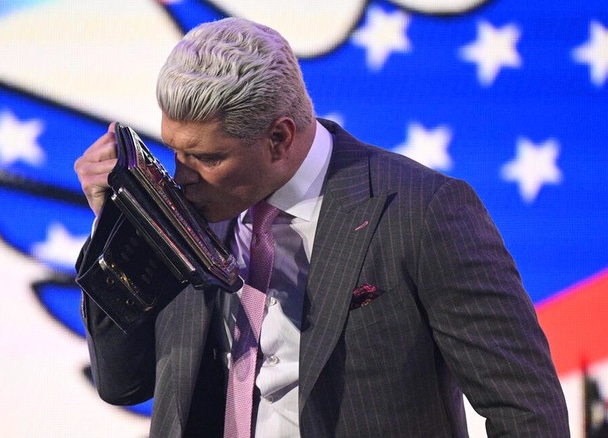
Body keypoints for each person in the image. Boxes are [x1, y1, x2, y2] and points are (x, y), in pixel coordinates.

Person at [74, 16, 570, 437]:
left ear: (278, 138)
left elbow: (525, 409)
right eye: (175, 151)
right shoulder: (185, 211)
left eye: (207, 157)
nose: (181, 178)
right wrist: (116, 228)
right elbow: (124, 383)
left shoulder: (422, 211)